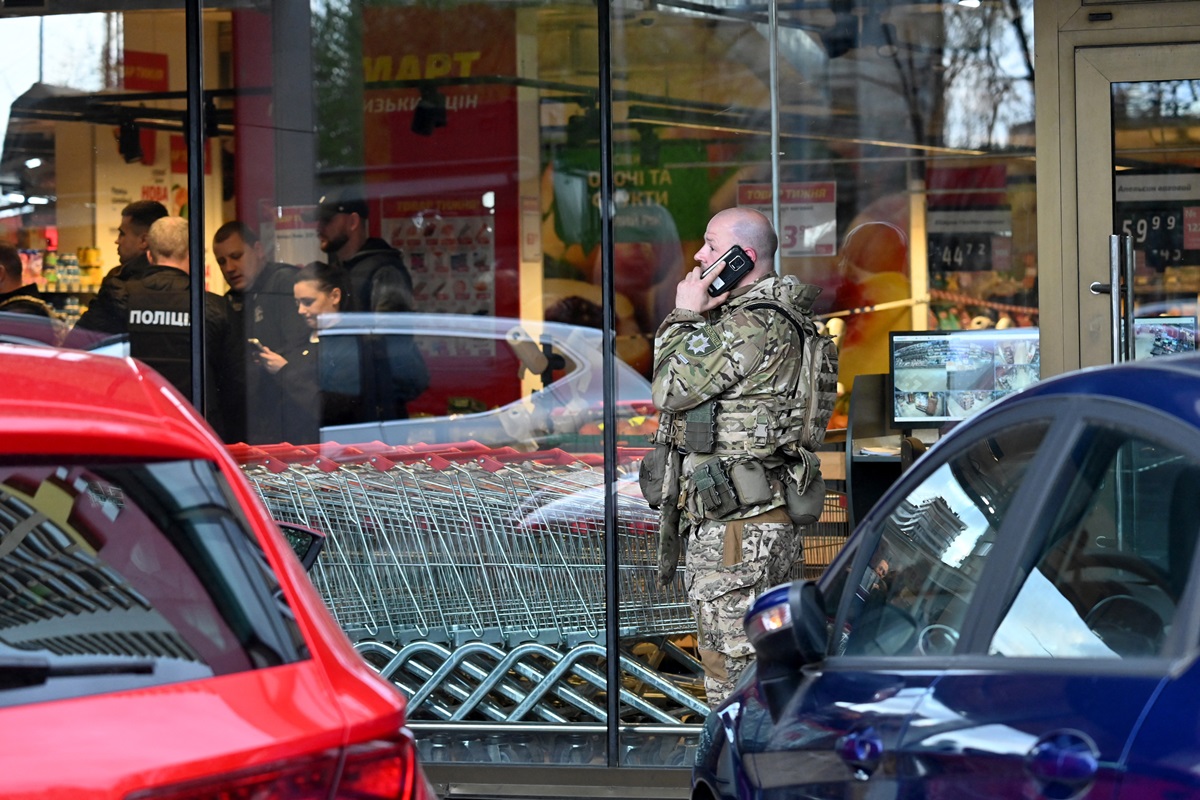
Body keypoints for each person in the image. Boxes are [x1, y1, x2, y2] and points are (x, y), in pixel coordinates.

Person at [648, 206, 831, 706]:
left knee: (732, 678)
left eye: (710, 245)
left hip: (736, 529)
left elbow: (669, 388)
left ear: (741, 257)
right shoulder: (780, 318)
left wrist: (685, 310)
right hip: (761, 520)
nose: (699, 256)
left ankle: (736, 776)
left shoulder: (751, 324)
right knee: (766, 666)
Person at [126, 216, 235, 439]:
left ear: (149, 255)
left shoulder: (120, 299)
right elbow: (235, 382)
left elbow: (85, 353)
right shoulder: (215, 307)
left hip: (138, 427)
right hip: (198, 430)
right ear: (192, 255)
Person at [212, 221, 307, 443]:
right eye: (222, 261)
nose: (229, 268)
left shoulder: (283, 284)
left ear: (258, 250)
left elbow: (299, 352)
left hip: (287, 419)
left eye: (237, 256)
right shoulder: (231, 300)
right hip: (250, 423)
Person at [253, 262, 364, 444]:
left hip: (330, 447)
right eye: (297, 303)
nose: (301, 311)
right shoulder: (299, 340)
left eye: (308, 302)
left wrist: (284, 372)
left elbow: (333, 408)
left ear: (334, 296)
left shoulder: (348, 345)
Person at [68, 200, 169, 343]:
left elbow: (79, 340)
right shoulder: (181, 285)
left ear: (144, 241)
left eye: (122, 234)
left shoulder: (117, 285)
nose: (117, 241)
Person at [314, 187, 414, 313]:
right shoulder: (337, 270)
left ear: (353, 222)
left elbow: (389, 330)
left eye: (327, 220)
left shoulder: (385, 272)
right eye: (318, 221)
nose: (319, 228)